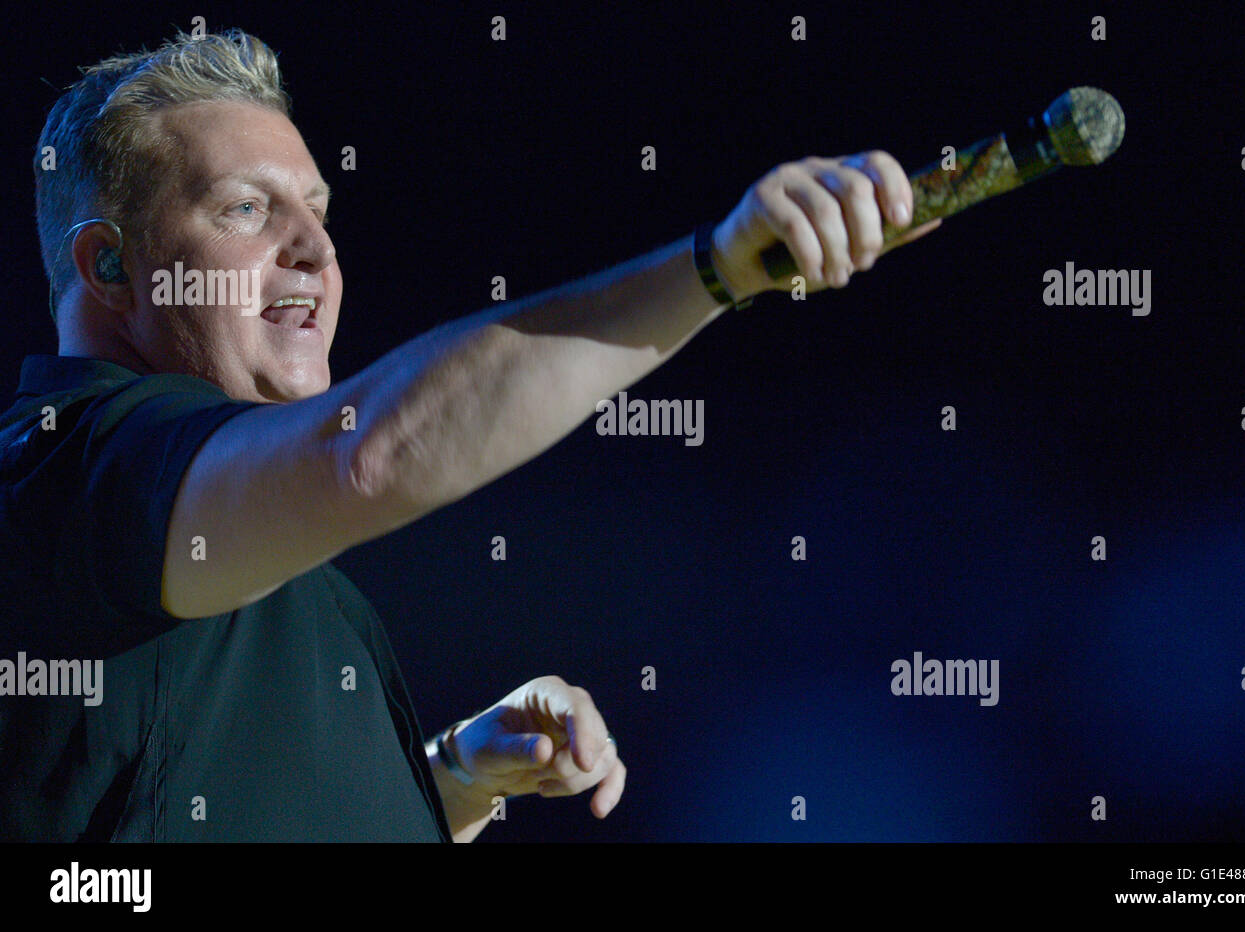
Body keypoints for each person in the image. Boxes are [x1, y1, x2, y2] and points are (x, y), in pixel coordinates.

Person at [0, 29, 938, 842]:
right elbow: (364, 459)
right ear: (113, 265)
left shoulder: (280, 583)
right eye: (247, 209)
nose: (316, 252)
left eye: (319, 216)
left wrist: (447, 779)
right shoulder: (69, 467)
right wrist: (714, 268)